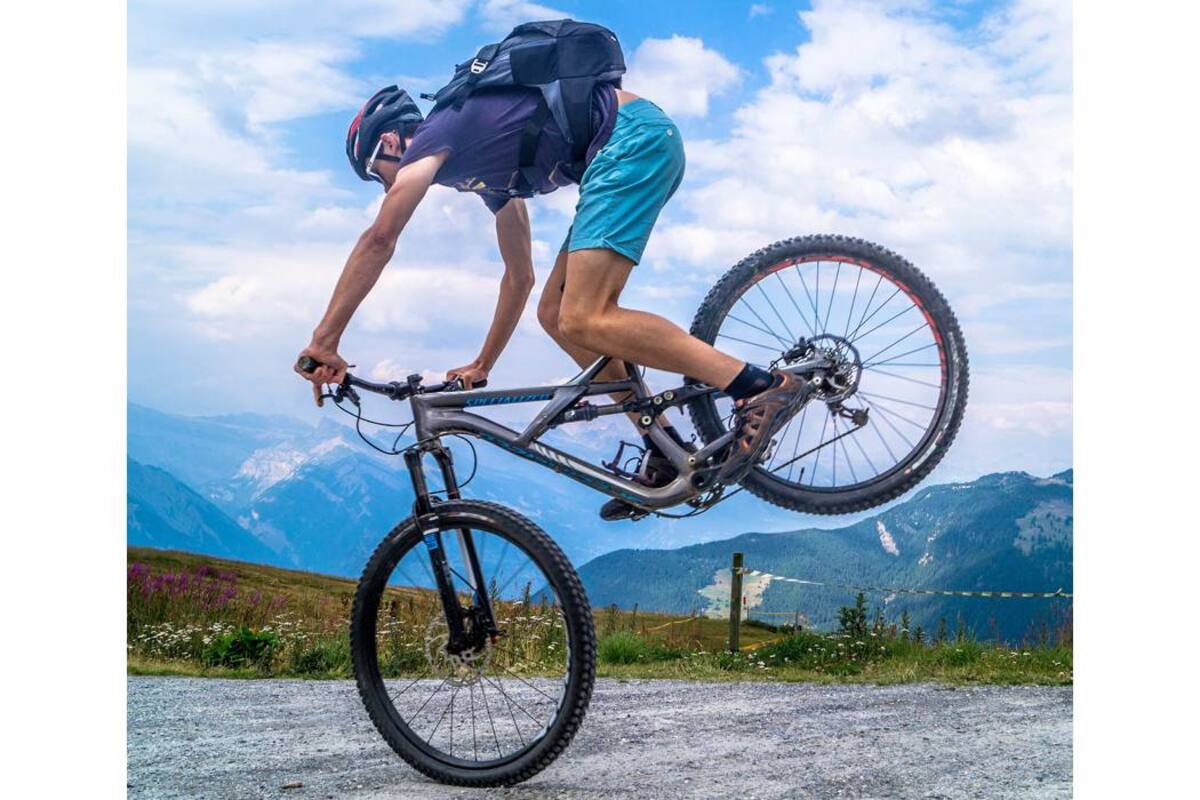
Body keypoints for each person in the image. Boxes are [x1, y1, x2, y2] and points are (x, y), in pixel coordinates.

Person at [295, 80, 806, 519]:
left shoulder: (439, 133)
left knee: (586, 315)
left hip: (632, 141)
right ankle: (663, 445)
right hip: (627, 147)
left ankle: (757, 385)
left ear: (388, 141)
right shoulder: (484, 170)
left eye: (374, 172)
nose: (382, 185)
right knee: (555, 315)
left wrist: (325, 340)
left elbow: (379, 239)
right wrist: (482, 364)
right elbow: (519, 277)